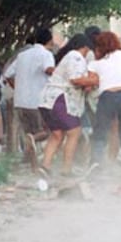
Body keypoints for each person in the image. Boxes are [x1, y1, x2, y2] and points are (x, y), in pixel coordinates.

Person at [78, 31, 121, 175]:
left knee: (100, 133)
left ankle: (96, 167)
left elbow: (90, 84)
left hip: (107, 97)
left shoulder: (94, 64)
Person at [37, 34, 94, 177]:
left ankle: (45, 166)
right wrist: (94, 81)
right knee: (74, 132)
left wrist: (87, 83)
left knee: (57, 134)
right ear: (86, 47)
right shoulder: (76, 56)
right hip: (60, 100)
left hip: (47, 100)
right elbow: (75, 80)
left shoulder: (68, 57)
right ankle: (66, 169)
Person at [4, 28, 55, 171]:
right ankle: (31, 161)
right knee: (47, 131)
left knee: (29, 134)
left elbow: (7, 74)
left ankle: (31, 166)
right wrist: (61, 75)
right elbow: (48, 70)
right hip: (37, 100)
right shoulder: (46, 55)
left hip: (20, 101)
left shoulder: (22, 55)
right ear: (49, 40)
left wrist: (18, 87)